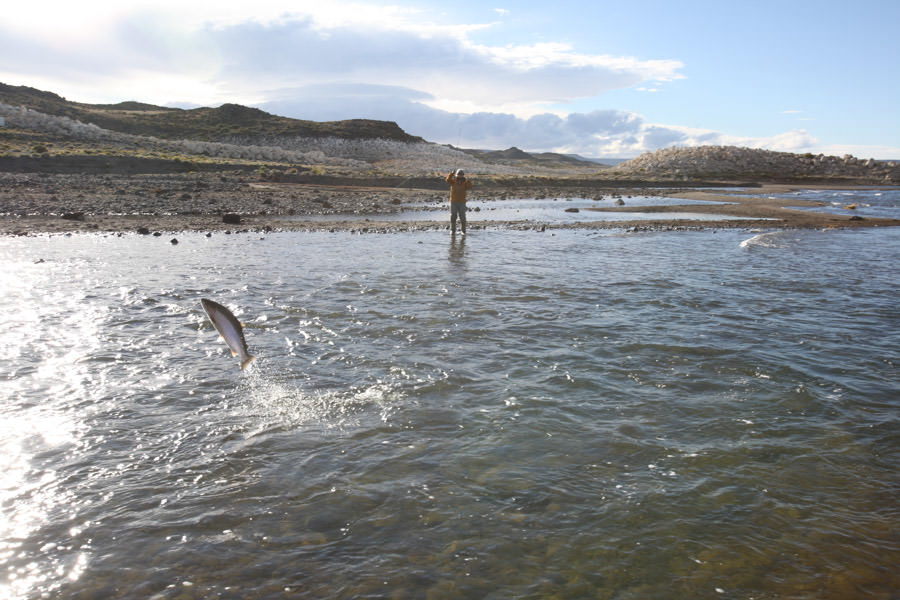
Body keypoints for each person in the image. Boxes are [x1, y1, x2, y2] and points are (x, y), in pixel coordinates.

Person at [445, 169, 473, 235]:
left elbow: (470, 186)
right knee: (453, 216)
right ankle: (452, 230)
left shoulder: (465, 182)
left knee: (462, 217)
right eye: (458, 175)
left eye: (461, 175)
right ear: (456, 175)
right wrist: (451, 174)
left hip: (462, 202)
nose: (460, 176)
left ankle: (463, 231)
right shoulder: (453, 181)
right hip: (453, 201)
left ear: (463, 175)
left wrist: (468, 181)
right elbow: (447, 180)